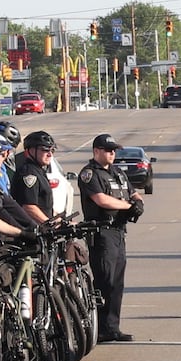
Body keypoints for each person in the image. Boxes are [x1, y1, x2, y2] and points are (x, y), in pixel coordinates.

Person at [78, 133, 142, 342]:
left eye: (114, 150)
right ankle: (99, 327)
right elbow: (101, 199)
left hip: (118, 232)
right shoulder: (89, 174)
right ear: (96, 151)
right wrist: (127, 206)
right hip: (101, 233)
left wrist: (137, 202)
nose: (112, 153)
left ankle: (112, 327)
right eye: (108, 150)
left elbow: (132, 192)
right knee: (104, 281)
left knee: (117, 283)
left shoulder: (117, 172)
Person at [11, 130, 60, 225]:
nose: (50, 154)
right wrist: (49, 224)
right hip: (31, 232)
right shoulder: (28, 173)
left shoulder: (39, 171)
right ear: (30, 151)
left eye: (52, 150)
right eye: (45, 150)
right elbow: (28, 207)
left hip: (42, 229)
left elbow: (45, 208)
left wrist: (62, 221)